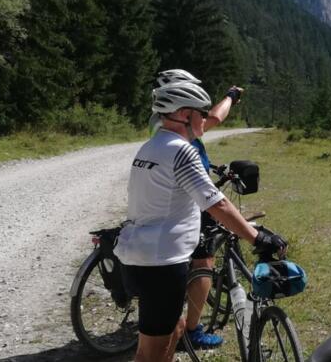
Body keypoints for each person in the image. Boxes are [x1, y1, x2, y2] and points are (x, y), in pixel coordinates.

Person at [115, 81, 286, 362]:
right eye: (201, 113)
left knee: (175, 328)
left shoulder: (150, 146)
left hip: (139, 257)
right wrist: (257, 238)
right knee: (150, 355)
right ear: (184, 114)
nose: (205, 120)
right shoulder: (181, 151)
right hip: (162, 263)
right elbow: (216, 202)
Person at [149, 69, 244, 349]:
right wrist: (231, 96)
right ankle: (191, 330)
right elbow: (214, 117)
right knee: (204, 261)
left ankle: (171, 319)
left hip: (168, 197)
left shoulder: (158, 121)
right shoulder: (179, 126)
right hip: (189, 197)